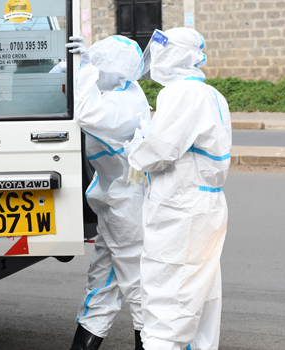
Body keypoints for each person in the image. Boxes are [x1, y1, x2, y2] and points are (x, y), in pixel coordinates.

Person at [127, 27, 231, 350]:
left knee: (169, 301)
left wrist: (135, 151)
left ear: (176, 55)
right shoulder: (212, 95)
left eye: (161, 51)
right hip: (206, 207)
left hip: (179, 210)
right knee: (201, 295)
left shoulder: (180, 93)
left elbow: (161, 149)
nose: (155, 58)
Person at [66, 35, 151, 350]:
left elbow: (86, 114)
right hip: (113, 206)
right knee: (101, 285)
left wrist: (86, 68)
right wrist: (77, 66)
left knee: (138, 286)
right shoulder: (124, 91)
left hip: (126, 209)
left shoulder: (122, 105)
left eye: (102, 62)